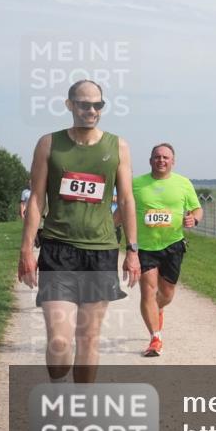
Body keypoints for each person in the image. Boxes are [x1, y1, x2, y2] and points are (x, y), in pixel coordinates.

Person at [16, 79, 141, 383]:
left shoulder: (118, 146)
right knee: (60, 341)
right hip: (58, 250)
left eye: (98, 105)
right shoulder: (49, 143)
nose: (92, 110)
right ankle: (58, 388)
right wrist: (26, 250)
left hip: (100, 252)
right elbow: (36, 199)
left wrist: (133, 251)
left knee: (88, 338)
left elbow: (126, 200)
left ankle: (80, 405)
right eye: (85, 104)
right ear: (70, 105)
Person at [133, 143, 203, 357]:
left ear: (173, 161)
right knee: (148, 291)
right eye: (157, 157)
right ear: (150, 160)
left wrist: (194, 219)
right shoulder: (136, 184)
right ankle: (155, 339)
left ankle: (158, 309)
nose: (161, 160)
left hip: (173, 245)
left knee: (166, 294)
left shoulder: (183, 183)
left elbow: (197, 209)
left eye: (165, 157)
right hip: (145, 246)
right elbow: (124, 209)